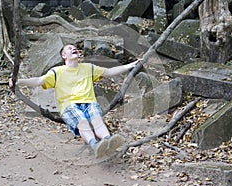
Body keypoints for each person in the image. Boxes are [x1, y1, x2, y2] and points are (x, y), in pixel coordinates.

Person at [9, 44, 138, 158]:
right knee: (82, 122)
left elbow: (109, 72)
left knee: (97, 120)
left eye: (75, 48)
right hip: (69, 105)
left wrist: (130, 65)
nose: (74, 49)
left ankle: (109, 141)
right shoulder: (57, 72)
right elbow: (38, 81)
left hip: (89, 102)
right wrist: (18, 81)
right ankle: (95, 146)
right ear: (64, 55)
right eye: (69, 48)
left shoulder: (88, 68)